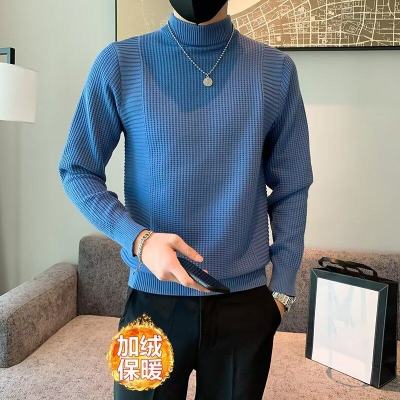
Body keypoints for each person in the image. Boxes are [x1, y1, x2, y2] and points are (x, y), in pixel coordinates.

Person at [58, 0, 314, 398]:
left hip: (243, 307)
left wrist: (281, 290)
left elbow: (292, 185)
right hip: (151, 301)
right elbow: (77, 169)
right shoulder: (120, 63)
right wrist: (140, 240)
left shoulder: (274, 70)